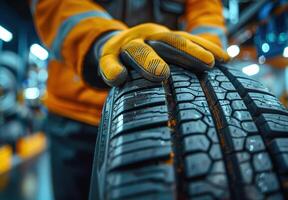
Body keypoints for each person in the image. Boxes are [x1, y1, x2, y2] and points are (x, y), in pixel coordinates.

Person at [29, 0, 229, 199]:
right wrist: (101, 38)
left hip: (160, 107)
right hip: (76, 113)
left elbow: (205, 9)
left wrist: (202, 46)